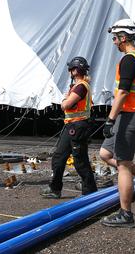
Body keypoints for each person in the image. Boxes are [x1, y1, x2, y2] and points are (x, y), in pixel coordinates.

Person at [100, 19, 135, 228]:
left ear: (123, 38)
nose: (114, 42)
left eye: (115, 38)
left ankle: (126, 214)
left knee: (123, 165)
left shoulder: (129, 60)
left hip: (129, 116)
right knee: (105, 154)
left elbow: (123, 92)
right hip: (131, 115)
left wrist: (110, 119)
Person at [41, 57, 98, 198]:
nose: (70, 72)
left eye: (71, 69)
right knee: (59, 157)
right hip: (71, 126)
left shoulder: (81, 86)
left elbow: (66, 105)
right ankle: (55, 188)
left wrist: (64, 101)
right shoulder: (77, 86)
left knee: (80, 160)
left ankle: (90, 190)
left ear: (75, 70)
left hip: (78, 127)